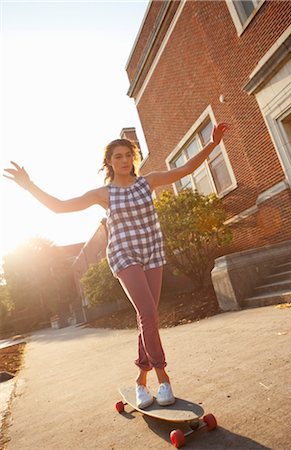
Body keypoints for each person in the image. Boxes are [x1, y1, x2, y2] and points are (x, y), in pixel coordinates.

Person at [3, 122, 229, 409]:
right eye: (117, 157)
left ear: (133, 158)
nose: (123, 160)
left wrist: (212, 144)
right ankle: (163, 378)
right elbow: (60, 206)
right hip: (124, 256)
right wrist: (29, 186)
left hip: (152, 252)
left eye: (127, 155)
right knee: (148, 313)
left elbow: (184, 170)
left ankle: (139, 381)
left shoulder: (148, 182)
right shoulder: (104, 194)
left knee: (147, 318)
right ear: (109, 163)